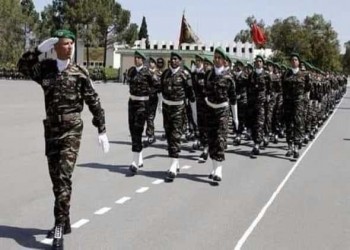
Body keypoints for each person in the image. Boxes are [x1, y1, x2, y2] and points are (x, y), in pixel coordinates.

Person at [17, 29, 110, 250]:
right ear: (55, 47)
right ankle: (65, 220)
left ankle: (59, 228)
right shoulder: (46, 70)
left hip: (72, 129)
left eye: (71, 44)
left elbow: (94, 101)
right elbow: (22, 67)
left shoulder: (80, 72)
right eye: (64, 44)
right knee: (56, 181)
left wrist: (102, 129)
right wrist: (38, 50)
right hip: (51, 129)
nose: (69, 47)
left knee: (64, 177)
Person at [160, 51, 197, 181]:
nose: (173, 61)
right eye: (172, 59)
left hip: (178, 108)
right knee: (169, 135)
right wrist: (160, 105)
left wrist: (194, 112)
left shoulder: (185, 75)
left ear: (180, 61)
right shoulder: (165, 74)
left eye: (176, 59)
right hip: (166, 108)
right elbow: (161, 91)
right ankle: (176, 162)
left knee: (176, 135)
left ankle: (172, 165)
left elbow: (191, 95)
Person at [204, 47, 237, 181]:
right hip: (210, 109)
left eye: (219, 58)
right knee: (211, 139)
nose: (216, 60)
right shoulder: (209, 74)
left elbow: (233, 98)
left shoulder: (229, 77)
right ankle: (214, 167)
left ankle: (219, 169)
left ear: (224, 61)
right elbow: (205, 91)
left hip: (222, 110)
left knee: (220, 138)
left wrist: (235, 117)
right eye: (215, 57)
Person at [127, 51, 158, 174]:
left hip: (142, 104)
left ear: (143, 60)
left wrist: (149, 98)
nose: (136, 60)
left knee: (137, 130)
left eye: (139, 58)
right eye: (135, 57)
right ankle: (139, 158)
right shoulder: (131, 71)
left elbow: (156, 85)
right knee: (132, 130)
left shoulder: (147, 73)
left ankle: (135, 162)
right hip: (132, 103)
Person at [282, 53, 310, 158]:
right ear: (290, 62)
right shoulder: (285, 74)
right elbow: (283, 88)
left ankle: (296, 148)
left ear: (299, 62)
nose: (294, 61)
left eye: (296, 59)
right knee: (289, 124)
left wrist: (303, 99)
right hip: (288, 103)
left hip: (298, 103)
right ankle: (289, 146)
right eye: (292, 60)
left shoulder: (304, 75)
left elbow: (307, 88)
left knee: (298, 123)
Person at [248, 55, 271, 157]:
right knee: (253, 123)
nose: (258, 63)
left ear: (262, 63)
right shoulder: (251, 75)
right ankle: (255, 142)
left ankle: (257, 144)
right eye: (257, 61)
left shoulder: (266, 75)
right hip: (252, 103)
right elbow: (248, 88)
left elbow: (269, 88)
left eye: (260, 61)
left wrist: (268, 97)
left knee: (259, 123)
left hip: (261, 103)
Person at [144, 57, 162, 147]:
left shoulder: (158, 73)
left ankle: (150, 135)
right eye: (150, 62)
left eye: (152, 62)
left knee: (150, 117)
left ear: (155, 64)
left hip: (154, 98)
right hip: (145, 98)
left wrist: (160, 103)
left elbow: (159, 86)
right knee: (147, 117)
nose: (150, 64)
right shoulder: (145, 72)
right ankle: (151, 134)